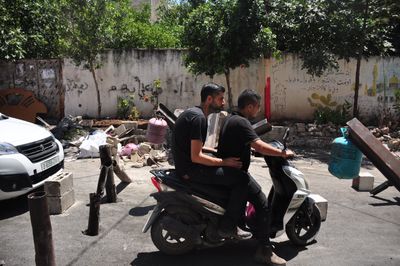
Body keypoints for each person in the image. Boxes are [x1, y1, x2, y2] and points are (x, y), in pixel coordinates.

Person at [217, 89, 294, 265]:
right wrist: (282, 153)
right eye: (257, 107)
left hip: (228, 171)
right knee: (263, 205)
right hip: (236, 174)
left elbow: (246, 142)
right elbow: (259, 145)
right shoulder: (242, 122)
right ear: (250, 106)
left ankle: (237, 226)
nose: (258, 110)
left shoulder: (231, 118)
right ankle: (265, 251)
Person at [171, 82, 251, 239]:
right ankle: (228, 227)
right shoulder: (199, 119)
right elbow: (196, 157)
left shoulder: (193, 113)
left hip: (187, 166)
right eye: (220, 99)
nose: (224, 102)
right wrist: (225, 162)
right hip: (191, 171)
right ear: (209, 99)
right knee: (242, 180)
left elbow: (196, 149)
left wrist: (216, 153)